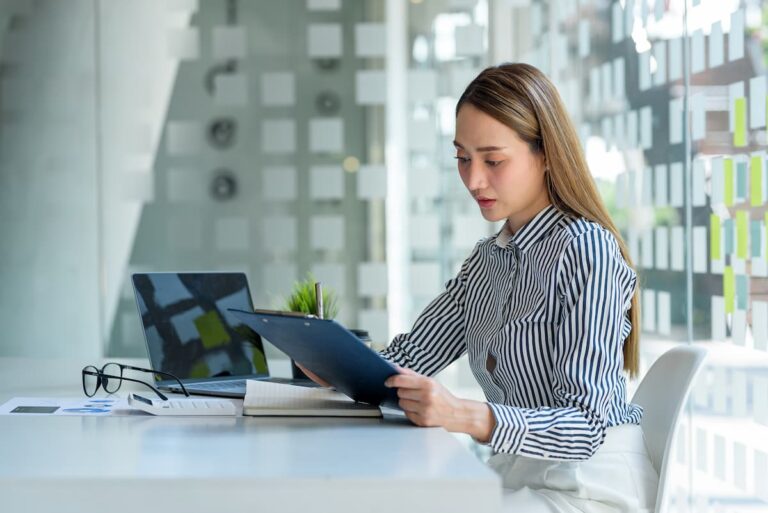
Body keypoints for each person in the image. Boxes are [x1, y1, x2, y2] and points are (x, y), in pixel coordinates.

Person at [300, 63, 658, 512]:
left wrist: (463, 414)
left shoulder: (586, 249)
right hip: (517, 476)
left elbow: (587, 426)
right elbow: (410, 360)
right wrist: (337, 364)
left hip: (588, 488)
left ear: (546, 154)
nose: (473, 180)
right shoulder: (487, 262)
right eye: (463, 158)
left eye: (493, 161)